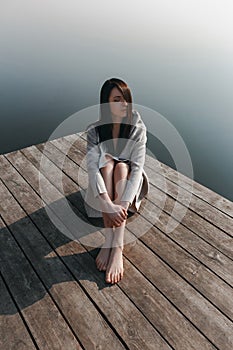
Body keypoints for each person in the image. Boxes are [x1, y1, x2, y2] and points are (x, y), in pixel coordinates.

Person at [84, 78, 149, 284]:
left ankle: (117, 245)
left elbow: (137, 169)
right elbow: (92, 169)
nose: (124, 105)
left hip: (128, 186)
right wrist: (106, 204)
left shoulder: (137, 128)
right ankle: (108, 240)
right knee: (107, 164)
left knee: (121, 166)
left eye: (126, 100)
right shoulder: (95, 130)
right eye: (117, 100)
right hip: (104, 189)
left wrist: (121, 205)